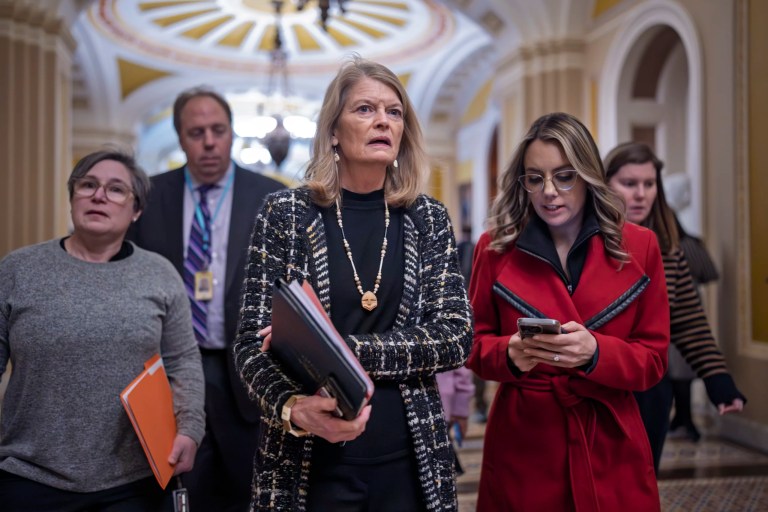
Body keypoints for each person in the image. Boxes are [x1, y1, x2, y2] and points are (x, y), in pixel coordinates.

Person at [234, 56, 473, 511]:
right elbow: (251, 344)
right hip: (307, 459)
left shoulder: (427, 218)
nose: (382, 120)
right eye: (365, 109)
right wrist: (291, 408)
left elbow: (455, 338)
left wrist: (341, 352)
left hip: (409, 458)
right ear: (333, 131)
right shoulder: (285, 214)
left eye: (394, 111)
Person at [467, 112, 669, 511]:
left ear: (588, 175)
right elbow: (472, 347)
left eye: (564, 176)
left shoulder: (640, 246)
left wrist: (596, 353)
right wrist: (508, 353)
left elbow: (654, 359)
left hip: (610, 435)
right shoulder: (495, 249)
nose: (548, 192)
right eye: (534, 177)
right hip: (525, 442)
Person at [0, 149, 205, 511]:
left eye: (116, 189)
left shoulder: (159, 274)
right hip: (27, 477)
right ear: (72, 197)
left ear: (136, 209)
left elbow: (183, 362)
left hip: (131, 483)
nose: (98, 196)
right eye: (88, 185)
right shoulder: (18, 270)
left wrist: (189, 427)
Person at [127, 87, 285, 511]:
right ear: (180, 138)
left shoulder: (272, 197)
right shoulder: (148, 197)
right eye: (196, 132)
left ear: (232, 133)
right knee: (180, 494)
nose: (209, 141)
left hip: (248, 373)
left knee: (247, 493)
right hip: (171, 372)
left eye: (218, 130)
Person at [604, 141, 745, 470]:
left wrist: (717, 378)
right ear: (605, 184)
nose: (641, 194)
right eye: (629, 184)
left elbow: (687, 318)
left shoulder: (667, 245)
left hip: (651, 385)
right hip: (600, 382)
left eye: (649, 184)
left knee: (640, 478)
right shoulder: (587, 240)